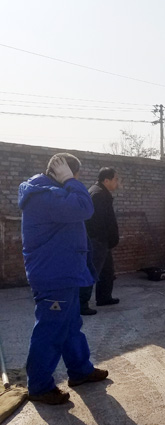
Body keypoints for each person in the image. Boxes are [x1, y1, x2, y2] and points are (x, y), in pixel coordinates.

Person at [18, 153, 109, 405]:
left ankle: (80, 370)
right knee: (50, 330)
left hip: (62, 272)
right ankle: (39, 386)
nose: (75, 180)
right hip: (53, 274)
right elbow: (85, 207)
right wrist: (70, 181)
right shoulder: (45, 195)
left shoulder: (50, 194)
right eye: (74, 175)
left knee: (70, 326)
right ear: (64, 173)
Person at [80, 167, 120, 315]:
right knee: (92, 271)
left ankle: (104, 297)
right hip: (97, 241)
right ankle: (81, 304)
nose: (117, 182)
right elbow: (95, 222)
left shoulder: (100, 192)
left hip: (103, 242)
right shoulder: (98, 194)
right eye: (116, 179)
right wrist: (101, 239)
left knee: (107, 271)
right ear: (106, 180)